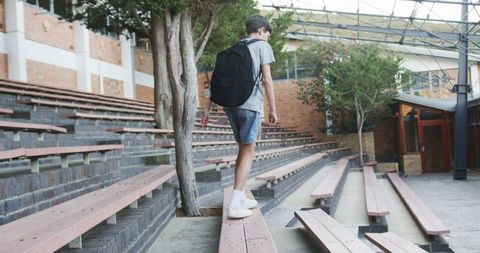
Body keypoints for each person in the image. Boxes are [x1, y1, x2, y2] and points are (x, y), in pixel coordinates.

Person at [201, 15, 278, 219]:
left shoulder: (233, 49)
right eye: (268, 35)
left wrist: (207, 109)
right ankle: (235, 204)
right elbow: (268, 80)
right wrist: (272, 109)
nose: (267, 39)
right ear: (261, 30)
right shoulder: (262, 46)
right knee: (248, 150)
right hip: (250, 105)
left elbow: (215, 82)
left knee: (242, 149)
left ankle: (240, 195)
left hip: (230, 105)